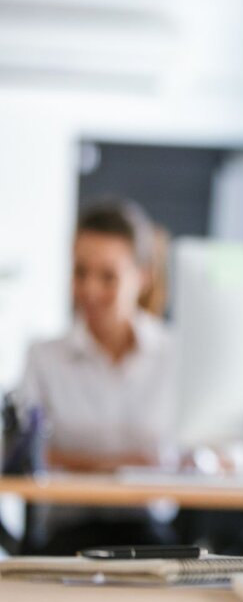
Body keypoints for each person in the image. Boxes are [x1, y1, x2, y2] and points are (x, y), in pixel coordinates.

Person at [12, 199, 178, 553]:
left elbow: (206, 453)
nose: (89, 289)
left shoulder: (174, 355)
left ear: (143, 276)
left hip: (151, 535)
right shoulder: (44, 357)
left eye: (108, 276)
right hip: (66, 535)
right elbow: (24, 454)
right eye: (80, 272)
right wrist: (126, 466)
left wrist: (78, 463)